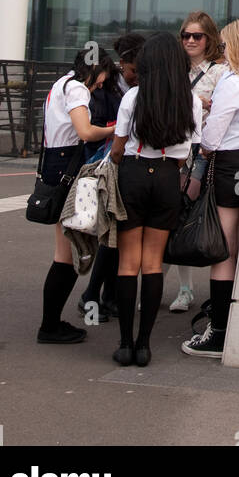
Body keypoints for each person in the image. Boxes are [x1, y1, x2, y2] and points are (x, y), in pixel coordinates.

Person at [110, 32, 201, 367]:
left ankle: (124, 343)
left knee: (127, 263)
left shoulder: (134, 96)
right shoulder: (189, 100)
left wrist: (126, 160)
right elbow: (187, 153)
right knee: (152, 264)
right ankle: (145, 345)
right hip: (166, 179)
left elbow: (118, 147)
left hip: (133, 174)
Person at [182, 18, 239, 359]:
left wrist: (203, 149)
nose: (223, 50)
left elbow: (213, 135)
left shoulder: (232, 83)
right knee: (235, 244)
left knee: (223, 250)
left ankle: (218, 330)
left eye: (227, 44)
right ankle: (226, 320)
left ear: (238, 46)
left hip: (227, 163)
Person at [36, 56, 113, 344]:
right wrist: (115, 131)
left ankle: (51, 323)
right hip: (67, 165)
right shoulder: (78, 88)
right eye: (101, 79)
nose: (99, 86)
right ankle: (50, 325)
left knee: (64, 252)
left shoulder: (60, 83)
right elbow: (85, 131)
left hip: (54, 164)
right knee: (65, 254)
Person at [170, 11, 228, 313]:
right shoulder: (174, 70)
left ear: (209, 39)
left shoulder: (221, 72)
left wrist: (208, 104)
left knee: (193, 213)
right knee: (176, 214)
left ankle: (195, 286)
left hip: (204, 151)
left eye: (197, 36)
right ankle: (184, 287)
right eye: (186, 35)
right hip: (176, 148)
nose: (190, 41)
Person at [77, 50, 124, 323]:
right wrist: (115, 130)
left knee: (107, 236)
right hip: (105, 168)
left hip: (94, 166)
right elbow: (87, 132)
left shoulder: (96, 93)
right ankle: (99, 297)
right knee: (110, 235)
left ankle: (101, 297)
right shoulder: (108, 94)